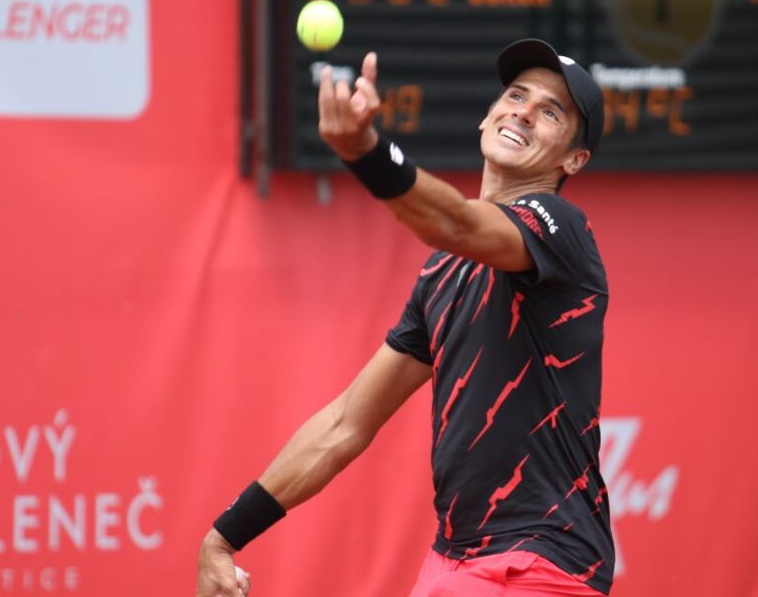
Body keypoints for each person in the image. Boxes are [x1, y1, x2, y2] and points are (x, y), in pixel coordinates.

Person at [197, 38, 614, 597]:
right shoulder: (442, 276)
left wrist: (367, 151)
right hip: (454, 561)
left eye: (550, 112)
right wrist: (226, 534)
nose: (523, 111)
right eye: (515, 96)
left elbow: (459, 224)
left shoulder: (560, 228)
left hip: (539, 561)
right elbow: (347, 423)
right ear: (487, 117)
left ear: (573, 159)